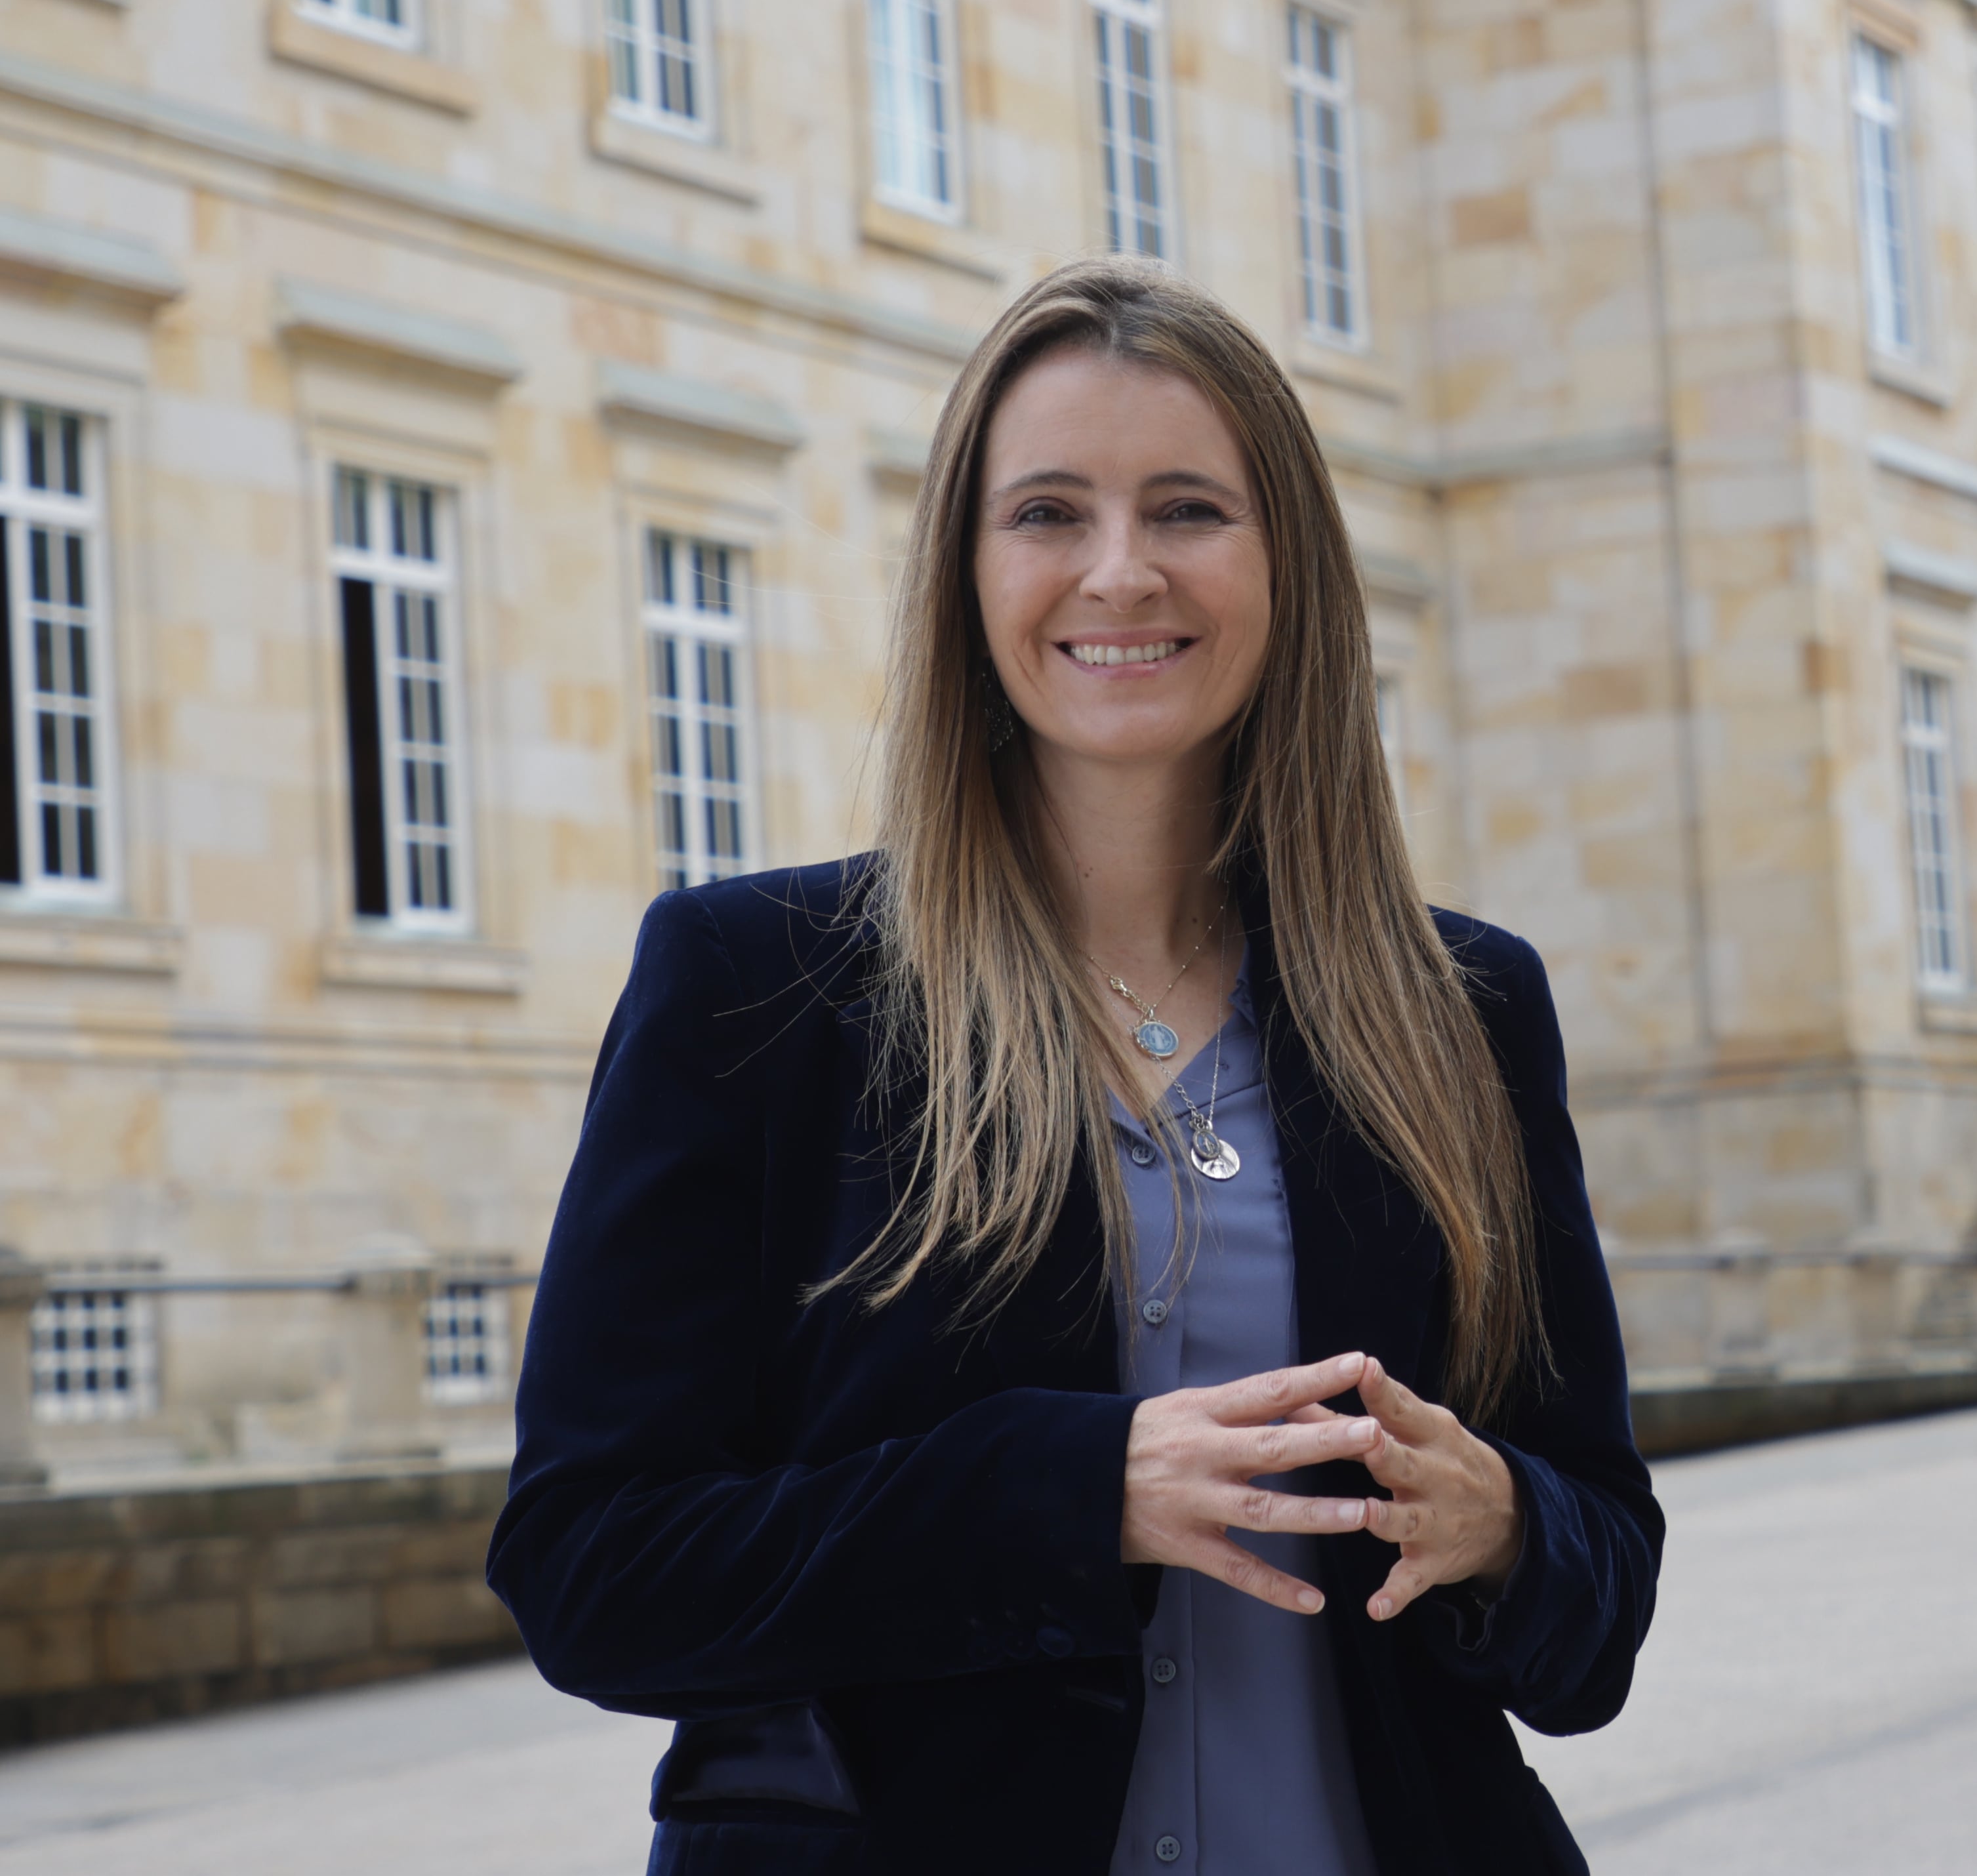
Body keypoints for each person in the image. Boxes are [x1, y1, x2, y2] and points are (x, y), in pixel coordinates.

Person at [486, 258, 1663, 1875]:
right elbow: (591, 1572)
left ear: (1284, 567)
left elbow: (1602, 1590)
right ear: (967, 573)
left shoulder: (1462, 1007)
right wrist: (1066, 1492)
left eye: (1187, 509)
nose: (1118, 572)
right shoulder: (755, 991)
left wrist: (1509, 1528)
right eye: (1047, 513)